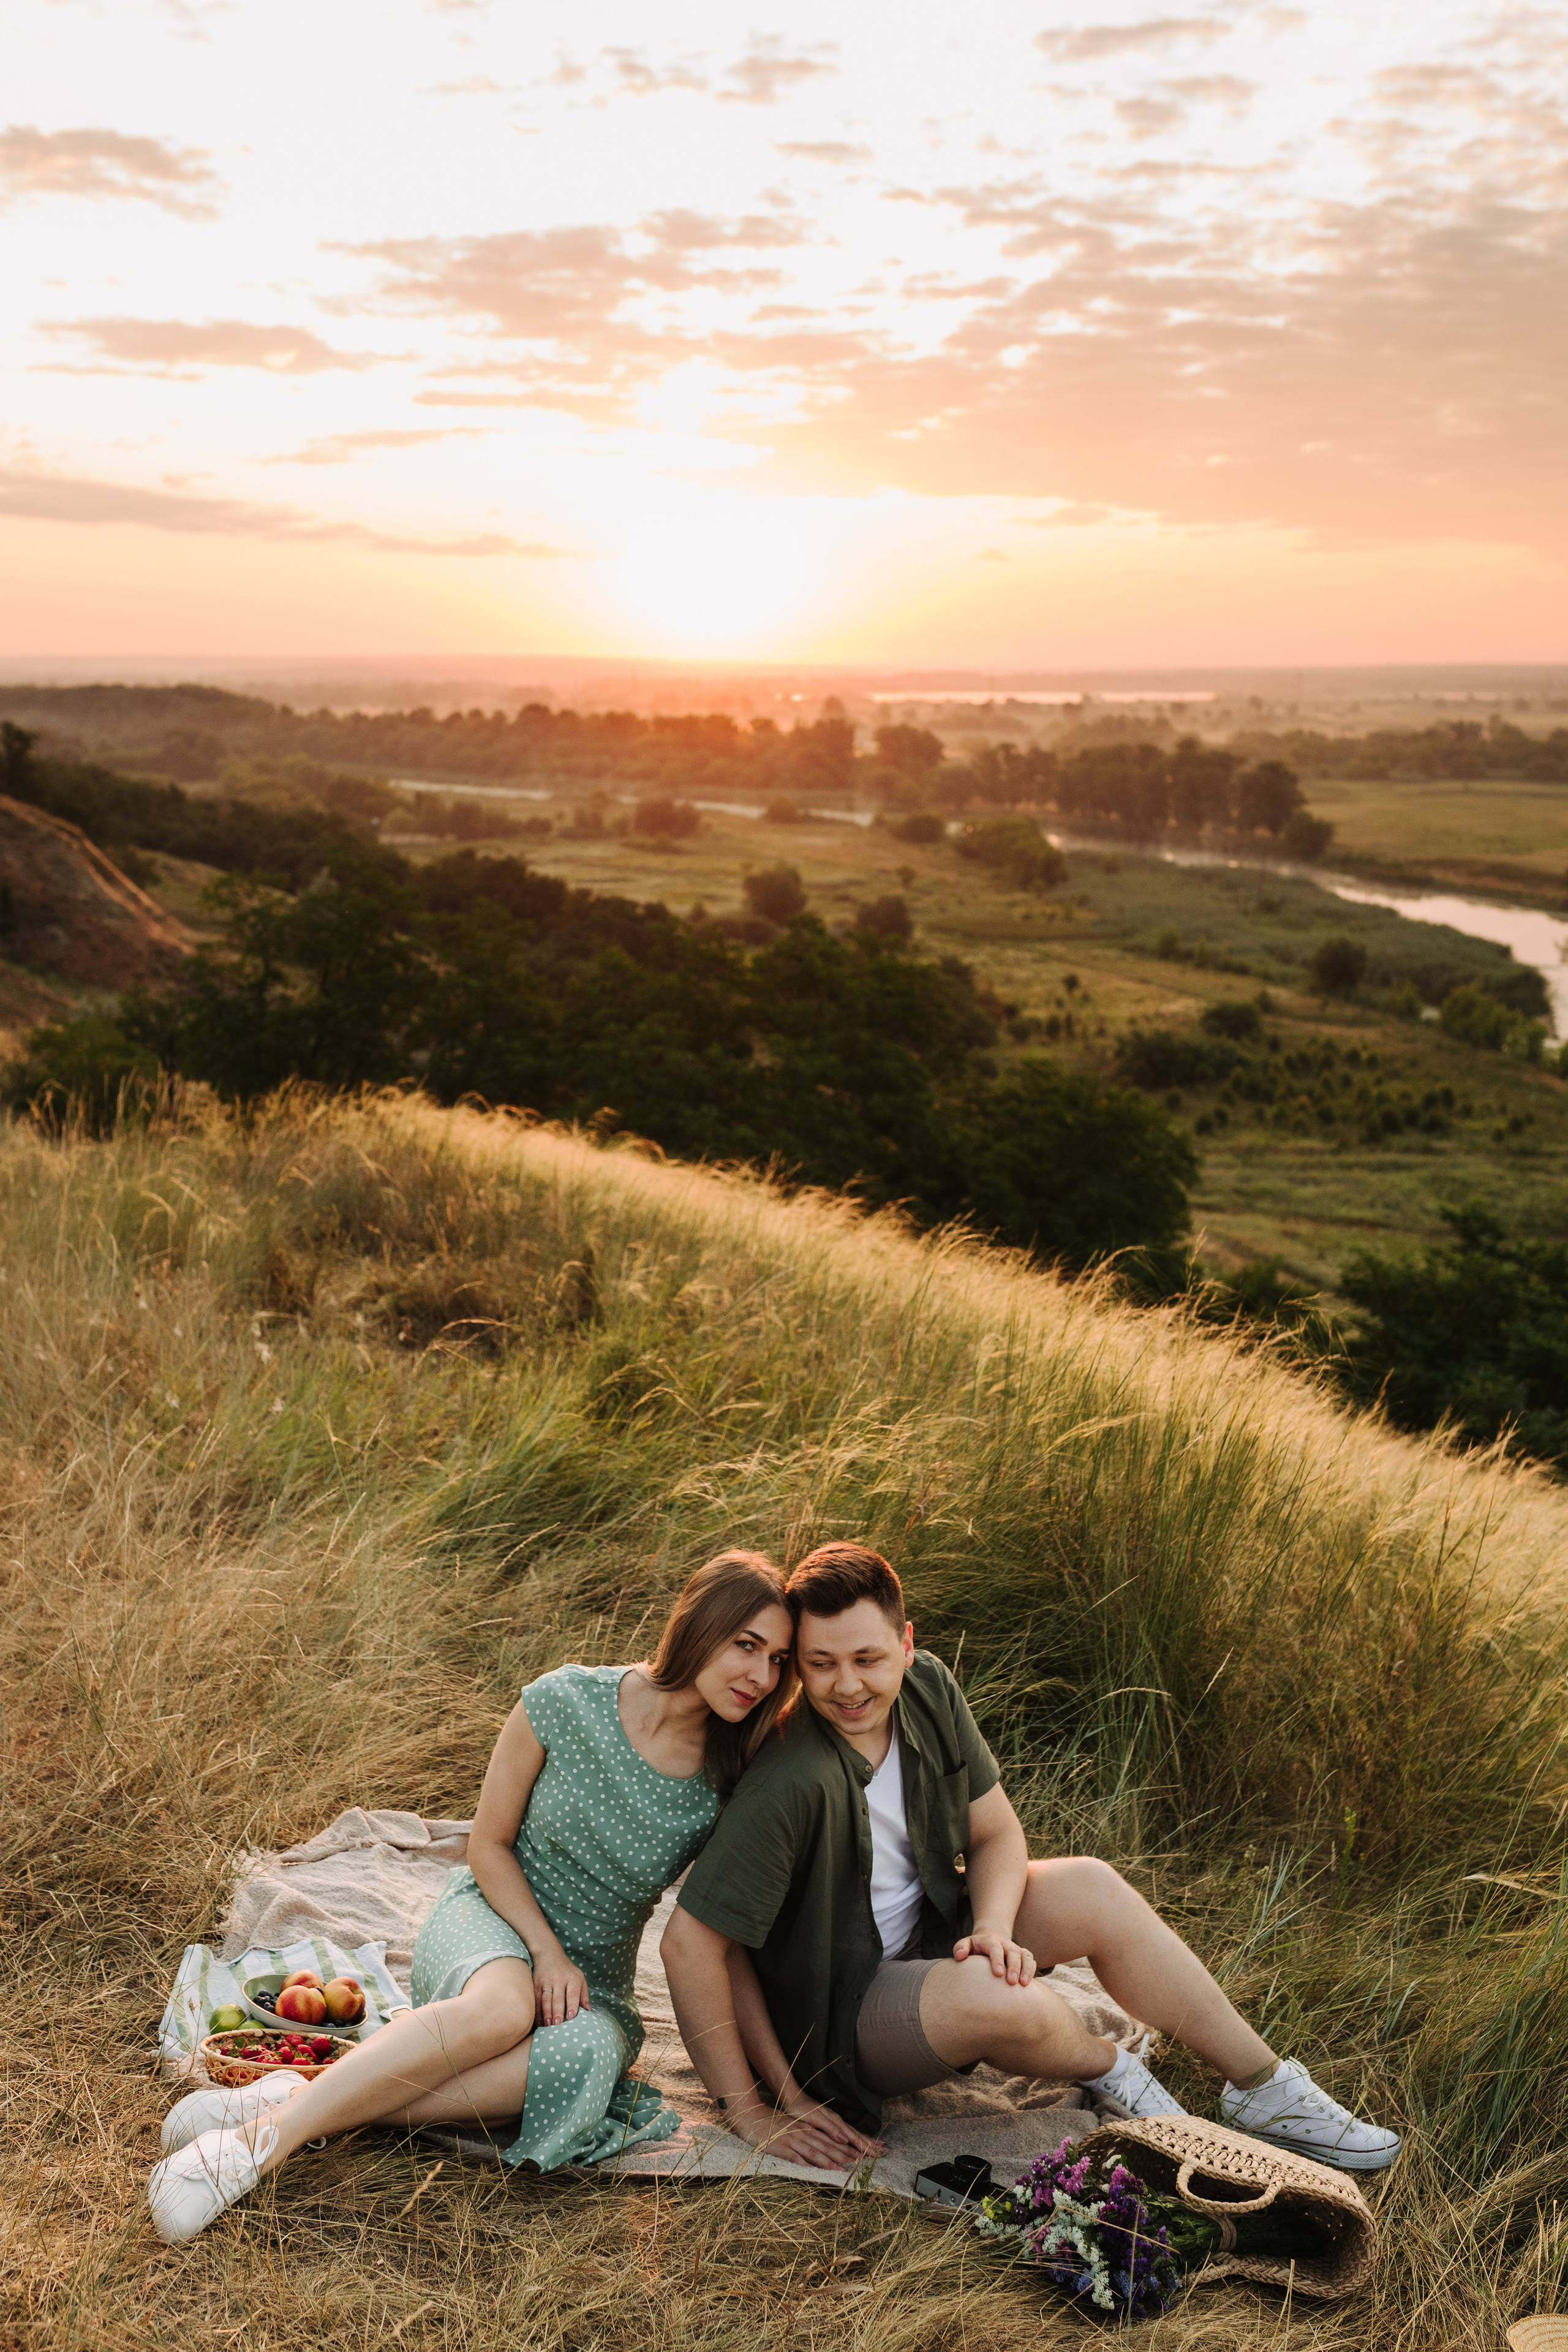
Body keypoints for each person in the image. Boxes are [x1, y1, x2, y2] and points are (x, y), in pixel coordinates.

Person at [149, 1550, 871, 2244]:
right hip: (491, 1917)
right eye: (747, 1645)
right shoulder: (566, 1700)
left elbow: (721, 1941)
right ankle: (255, 2147)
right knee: (504, 2005)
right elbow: (487, 1845)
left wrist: (779, 2097)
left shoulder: (732, 1772)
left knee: (591, 2058)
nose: (759, 1674)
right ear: (700, 1626)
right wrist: (544, 1952)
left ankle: (299, 2100)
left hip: (595, 1976)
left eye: (778, 1662)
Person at [662, 1542, 1402, 2174]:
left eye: (867, 1657)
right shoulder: (790, 1779)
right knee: (998, 1997)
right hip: (842, 2014)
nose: (847, 1685)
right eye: (820, 1664)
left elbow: (997, 1835)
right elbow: (691, 1940)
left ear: (906, 1643)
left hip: (929, 1931)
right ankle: (1114, 2073)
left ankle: (1262, 2085)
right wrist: (754, 2111)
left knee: (1092, 1885)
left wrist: (991, 1926)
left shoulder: (926, 1690)